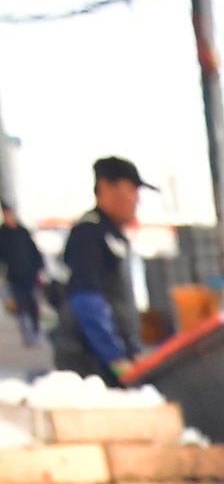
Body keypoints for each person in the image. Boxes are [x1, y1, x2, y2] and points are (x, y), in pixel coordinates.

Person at [52, 155, 157, 383]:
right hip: (90, 364)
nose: (136, 200)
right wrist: (117, 361)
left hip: (110, 358)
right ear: (105, 188)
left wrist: (133, 349)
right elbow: (86, 301)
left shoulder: (112, 234)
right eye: (130, 190)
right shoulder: (89, 233)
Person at [0, 203, 47, 348]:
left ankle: (36, 331)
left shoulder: (22, 231)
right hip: (14, 276)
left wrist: (39, 267)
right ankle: (28, 335)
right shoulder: (3, 234)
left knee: (33, 305)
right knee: (21, 306)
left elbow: (33, 250)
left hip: (29, 275)